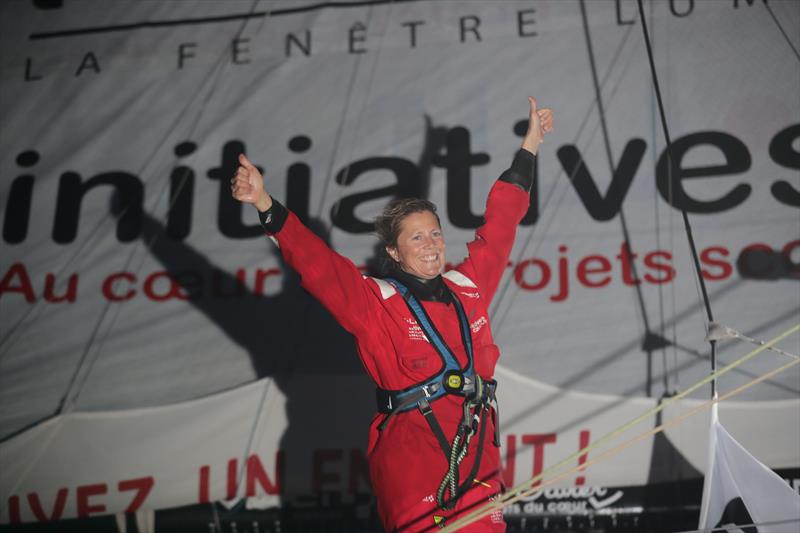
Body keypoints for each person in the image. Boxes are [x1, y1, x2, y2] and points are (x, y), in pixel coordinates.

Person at [231, 97, 553, 532]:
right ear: (393, 252)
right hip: (412, 458)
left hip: (477, 453)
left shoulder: (468, 288)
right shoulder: (376, 302)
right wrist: (265, 203)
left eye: (435, 233)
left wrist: (530, 146)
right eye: (416, 238)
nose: (430, 244)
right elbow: (318, 264)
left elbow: (501, 223)